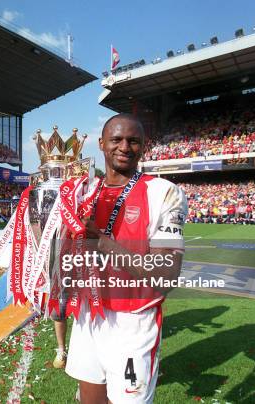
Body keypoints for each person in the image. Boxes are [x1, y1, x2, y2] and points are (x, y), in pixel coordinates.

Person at [64, 114, 188, 403]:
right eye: (116, 139)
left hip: (132, 323)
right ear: (101, 143)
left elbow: (165, 277)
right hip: (88, 314)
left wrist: (102, 242)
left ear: (143, 147)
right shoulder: (82, 192)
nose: (124, 147)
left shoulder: (164, 192)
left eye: (133, 141)